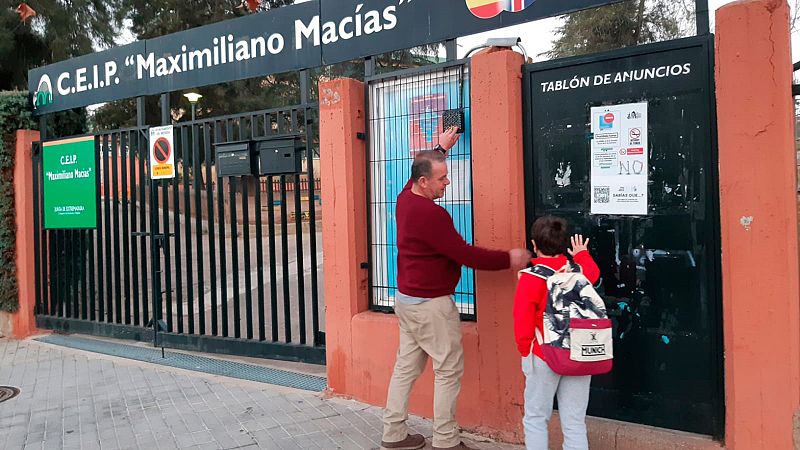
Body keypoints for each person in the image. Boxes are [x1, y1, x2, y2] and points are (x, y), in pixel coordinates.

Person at [380, 127, 532, 450]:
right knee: (448, 369)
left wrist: (440, 148)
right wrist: (510, 258)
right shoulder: (432, 215)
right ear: (424, 182)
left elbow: (418, 169)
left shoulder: (405, 198)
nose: (447, 182)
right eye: (442, 178)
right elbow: (466, 254)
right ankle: (447, 441)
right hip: (431, 306)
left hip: (407, 302)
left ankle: (392, 434)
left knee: (405, 368)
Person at [512, 216, 600, 450]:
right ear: (565, 244)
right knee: (574, 421)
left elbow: (522, 322)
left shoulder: (531, 279)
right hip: (579, 351)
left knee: (536, 418)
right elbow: (594, 271)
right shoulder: (578, 272)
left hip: (543, 354)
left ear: (534, 244)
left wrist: (525, 352)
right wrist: (581, 253)